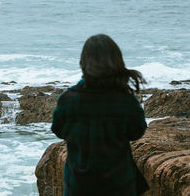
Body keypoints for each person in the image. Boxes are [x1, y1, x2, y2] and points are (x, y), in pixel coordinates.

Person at [51, 34, 149, 196]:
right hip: (119, 185)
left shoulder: (69, 99)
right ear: (116, 62)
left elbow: (58, 130)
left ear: (83, 63)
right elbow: (137, 131)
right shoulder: (124, 99)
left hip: (79, 186)